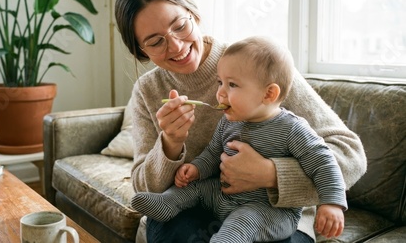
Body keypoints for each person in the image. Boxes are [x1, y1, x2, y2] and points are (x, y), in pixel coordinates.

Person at [114, 0, 366, 243]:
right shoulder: (147, 90)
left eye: (179, 26)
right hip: (201, 207)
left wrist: (271, 174)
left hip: (272, 216)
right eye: (155, 41)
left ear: (193, 14)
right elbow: (142, 186)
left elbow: (350, 154)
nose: (175, 45)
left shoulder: (256, 65)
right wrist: (170, 144)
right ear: (141, 51)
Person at [130, 36, 347, 242]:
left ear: (269, 94)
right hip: (224, 198)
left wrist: (332, 202)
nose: (220, 93)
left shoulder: (292, 129)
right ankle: (167, 203)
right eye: (219, 83)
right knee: (196, 188)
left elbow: (324, 163)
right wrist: (195, 169)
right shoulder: (228, 121)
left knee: (243, 221)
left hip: (269, 211)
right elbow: (213, 153)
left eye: (231, 85)